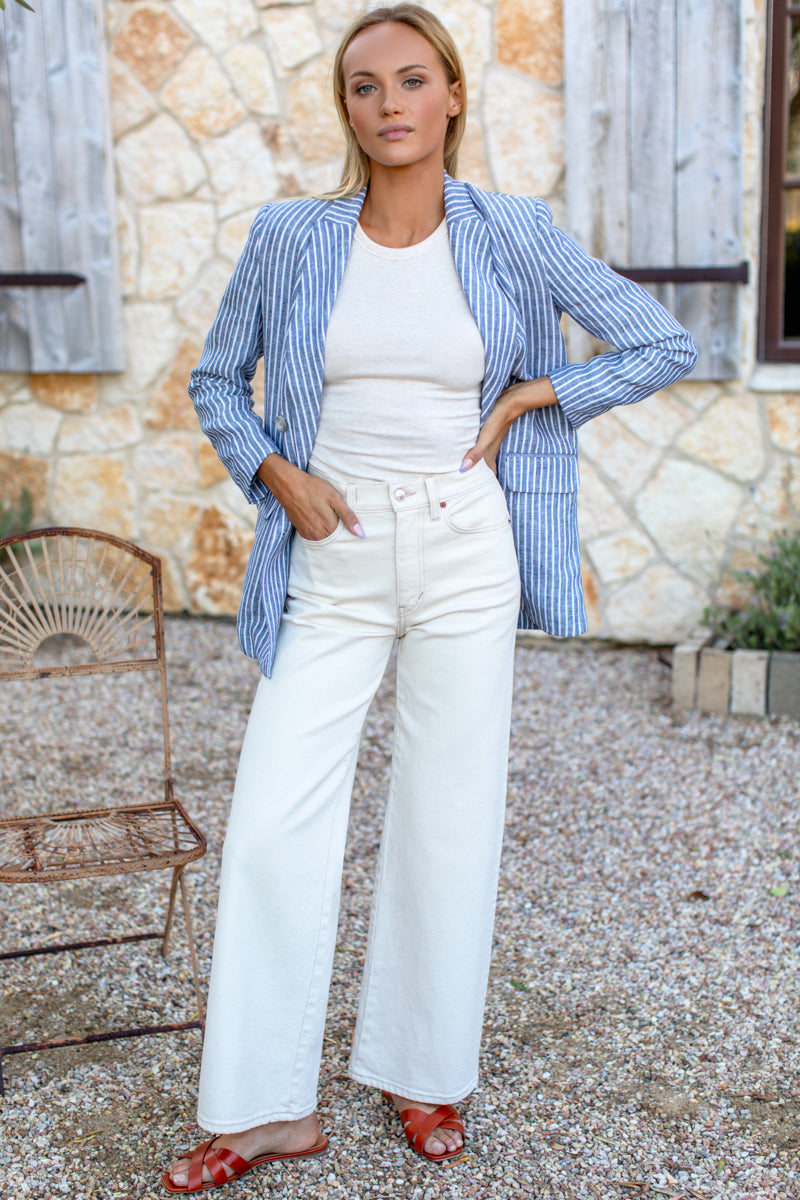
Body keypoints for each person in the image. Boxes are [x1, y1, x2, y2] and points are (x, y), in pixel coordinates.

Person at [162, 4, 697, 1192]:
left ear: (451, 94)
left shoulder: (511, 230)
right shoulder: (291, 236)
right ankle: (264, 1109)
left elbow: (659, 343)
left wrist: (534, 396)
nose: (388, 103)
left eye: (410, 80)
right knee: (272, 819)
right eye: (364, 86)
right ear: (345, 108)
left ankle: (421, 1072)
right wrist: (274, 471)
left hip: (463, 545)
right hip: (333, 551)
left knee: (447, 814)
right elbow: (217, 380)